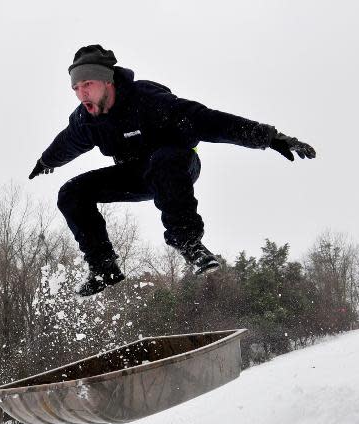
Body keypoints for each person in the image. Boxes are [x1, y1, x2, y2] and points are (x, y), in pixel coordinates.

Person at [29, 45, 315, 297]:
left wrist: (269, 137)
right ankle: (103, 266)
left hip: (178, 165)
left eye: (87, 85)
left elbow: (209, 121)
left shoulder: (148, 100)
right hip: (136, 174)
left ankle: (188, 242)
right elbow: (68, 141)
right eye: (76, 89)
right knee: (71, 193)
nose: (82, 95)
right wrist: (46, 162)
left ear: (107, 81)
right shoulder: (86, 119)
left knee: (163, 159)